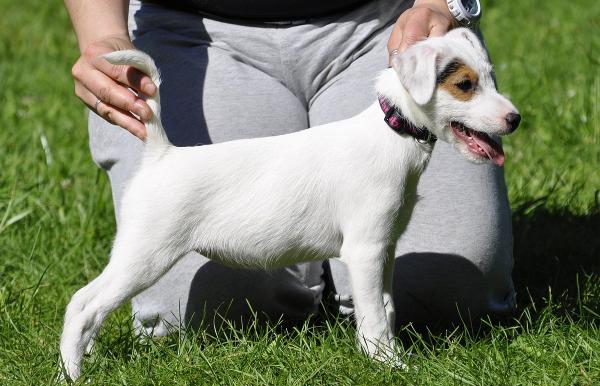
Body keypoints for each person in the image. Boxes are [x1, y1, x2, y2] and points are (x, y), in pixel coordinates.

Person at [63, 0, 516, 336]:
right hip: (190, 30)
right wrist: (101, 31)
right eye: (468, 88)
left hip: (382, 27)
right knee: (190, 312)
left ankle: (334, 261)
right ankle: (326, 262)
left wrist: (439, 3)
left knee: (444, 296)